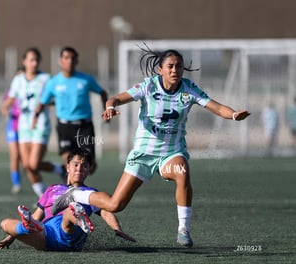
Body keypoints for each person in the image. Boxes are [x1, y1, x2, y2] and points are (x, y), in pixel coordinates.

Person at [52, 47, 251, 248]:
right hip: (143, 154)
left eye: (179, 66)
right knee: (115, 205)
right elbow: (116, 98)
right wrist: (110, 107)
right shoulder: (148, 86)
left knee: (182, 172)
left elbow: (216, 106)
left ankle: (183, 229)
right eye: (170, 66)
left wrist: (233, 115)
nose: (175, 70)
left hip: (171, 154)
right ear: (160, 69)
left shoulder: (189, 88)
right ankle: (76, 194)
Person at [0, 148, 136, 251]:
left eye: (84, 166)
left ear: (89, 169)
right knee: (5, 223)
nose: (79, 169)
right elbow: (36, 216)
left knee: (70, 209)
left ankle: (77, 216)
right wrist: (10, 237)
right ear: (67, 167)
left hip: (70, 235)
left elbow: (105, 211)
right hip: (47, 236)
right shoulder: (52, 189)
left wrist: (117, 229)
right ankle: (26, 227)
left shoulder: (90, 193)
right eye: (76, 165)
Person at [33, 47, 108, 175]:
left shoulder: (86, 79)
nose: (69, 61)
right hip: (64, 127)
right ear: (60, 61)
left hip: (84, 127)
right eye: (66, 58)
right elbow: (42, 102)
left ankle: (71, 177)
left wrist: (107, 111)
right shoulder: (53, 82)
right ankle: (73, 188)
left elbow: (102, 93)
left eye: (72, 58)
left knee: (90, 166)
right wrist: (35, 117)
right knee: (71, 163)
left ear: (77, 61)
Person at [1, 47, 64, 197]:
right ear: (24, 62)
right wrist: (5, 106)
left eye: (36, 60)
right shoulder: (18, 80)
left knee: (33, 164)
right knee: (27, 165)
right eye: (31, 60)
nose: (34, 63)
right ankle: (44, 196)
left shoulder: (46, 79)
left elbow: (55, 99)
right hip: (23, 127)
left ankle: (59, 171)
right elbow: (11, 98)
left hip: (40, 125)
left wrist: (46, 103)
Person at [3, 67, 23, 194]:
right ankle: (16, 184)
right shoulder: (11, 92)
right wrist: (8, 112)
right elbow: (5, 107)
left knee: (26, 160)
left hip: (27, 128)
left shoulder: (32, 90)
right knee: (15, 155)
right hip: (13, 126)